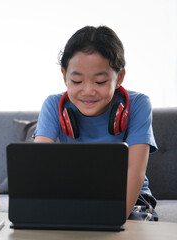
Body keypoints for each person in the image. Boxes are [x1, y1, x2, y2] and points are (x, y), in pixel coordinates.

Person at [33, 26, 158, 221]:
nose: (88, 91)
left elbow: (135, 171)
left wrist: (113, 220)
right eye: (76, 81)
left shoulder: (138, 104)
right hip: (75, 194)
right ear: (64, 75)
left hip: (129, 196)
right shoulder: (53, 104)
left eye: (99, 82)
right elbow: (38, 165)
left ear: (120, 78)